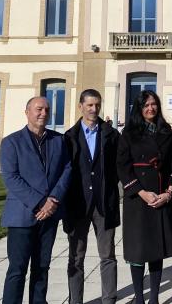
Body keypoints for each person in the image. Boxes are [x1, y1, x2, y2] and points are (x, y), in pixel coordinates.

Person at [0, 96, 71, 304]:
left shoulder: (58, 140)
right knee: (17, 269)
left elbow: (67, 170)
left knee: (42, 267)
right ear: (27, 112)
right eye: (39, 109)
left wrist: (54, 200)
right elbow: (11, 178)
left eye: (47, 110)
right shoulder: (11, 142)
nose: (43, 113)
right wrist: (41, 202)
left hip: (49, 216)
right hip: (22, 216)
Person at [117, 91, 172, 304]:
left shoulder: (167, 132)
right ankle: (139, 298)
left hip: (161, 195)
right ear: (139, 108)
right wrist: (142, 193)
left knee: (156, 249)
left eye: (153, 104)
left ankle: (154, 298)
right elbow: (122, 167)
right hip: (138, 198)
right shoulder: (129, 133)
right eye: (146, 105)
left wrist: (168, 193)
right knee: (137, 250)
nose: (150, 109)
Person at [62, 89, 121, 304]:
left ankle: (109, 299)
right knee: (76, 258)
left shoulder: (112, 135)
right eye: (89, 105)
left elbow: (118, 167)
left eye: (97, 105)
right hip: (78, 206)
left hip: (104, 204)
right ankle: (75, 300)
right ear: (80, 106)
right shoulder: (69, 137)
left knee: (107, 256)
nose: (94, 109)